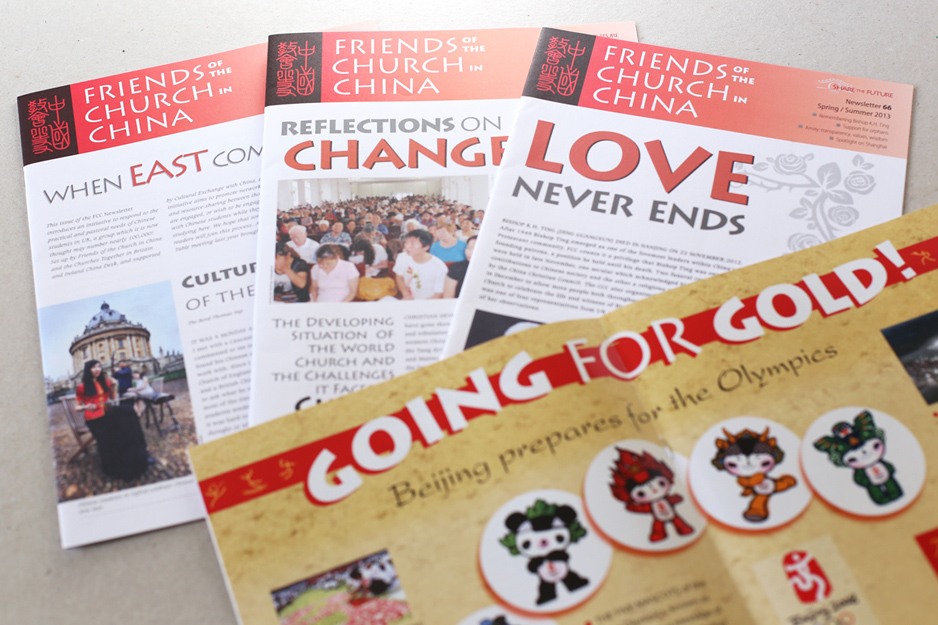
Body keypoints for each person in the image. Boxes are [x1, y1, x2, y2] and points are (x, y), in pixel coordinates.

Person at [75, 359, 151, 480]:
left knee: (129, 412)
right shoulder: (82, 387)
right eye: (93, 367)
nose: (97, 369)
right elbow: (77, 407)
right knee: (119, 429)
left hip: (107, 413)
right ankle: (119, 465)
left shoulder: (105, 382)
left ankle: (141, 452)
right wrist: (86, 406)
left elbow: (114, 399)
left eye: (99, 366)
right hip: (94, 419)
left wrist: (114, 385)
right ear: (88, 370)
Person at [394, 230, 448, 300]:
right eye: (406, 242)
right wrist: (406, 294)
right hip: (409, 300)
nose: (407, 247)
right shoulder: (402, 257)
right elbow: (400, 277)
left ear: (426, 247)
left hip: (429, 302)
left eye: (412, 244)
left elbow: (438, 294)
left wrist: (420, 305)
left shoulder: (439, 267)